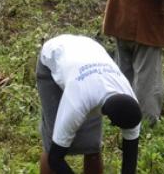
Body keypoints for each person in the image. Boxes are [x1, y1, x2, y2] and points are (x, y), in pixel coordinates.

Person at [36, 34, 142, 174]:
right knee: (51, 144)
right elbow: (56, 159)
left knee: (92, 146)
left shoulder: (131, 104)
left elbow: (130, 162)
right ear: (110, 120)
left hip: (89, 52)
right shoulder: (77, 102)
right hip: (53, 57)